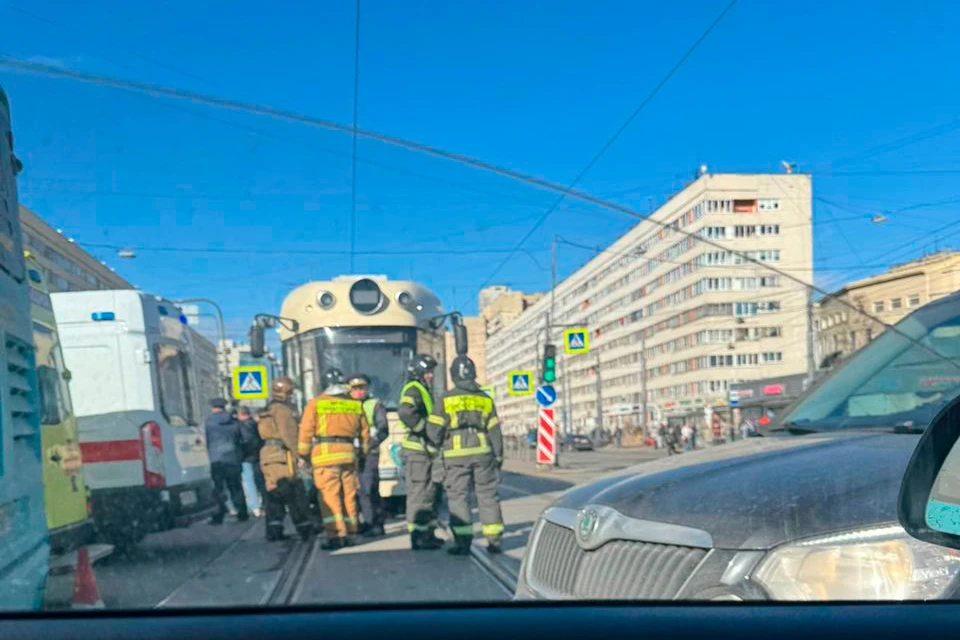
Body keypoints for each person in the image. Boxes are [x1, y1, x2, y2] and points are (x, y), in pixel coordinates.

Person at [427, 356, 504, 555]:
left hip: (456, 456)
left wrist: (437, 447)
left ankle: (463, 543)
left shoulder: (446, 398)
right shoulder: (485, 398)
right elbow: (495, 431)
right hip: (484, 454)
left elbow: (433, 430)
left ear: (453, 375)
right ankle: (494, 540)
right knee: (488, 496)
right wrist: (499, 456)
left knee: (458, 498)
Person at [298, 368, 370, 550]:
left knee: (330, 497)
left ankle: (336, 535)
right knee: (349, 495)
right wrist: (362, 454)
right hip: (348, 455)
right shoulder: (355, 405)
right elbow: (365, 434)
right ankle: (352, 533)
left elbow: (305, 433)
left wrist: (304, 455)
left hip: (325, 456)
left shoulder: (315, 404)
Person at [257, 377, 313, 541]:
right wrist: (300, 455)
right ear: (286, 391)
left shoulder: (268, 409)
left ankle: (274, 530)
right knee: (294, 492)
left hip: (268, 454)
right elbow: (289, 434)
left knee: (274, 493)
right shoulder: (283, 410)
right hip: (282, 454)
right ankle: (305, 529)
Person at [398, 354, 443, 550]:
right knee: (419, 494)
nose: (431, 376)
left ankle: (428, 533)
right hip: (417, 451)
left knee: (429, 493)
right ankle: (418, 536)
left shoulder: (422, 389)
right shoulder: (413, 389)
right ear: (418, 373)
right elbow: (406, 412)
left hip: (425, 452)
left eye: (431, 372)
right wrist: (425, 430)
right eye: (427, 372)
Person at [347, 373, 389, 537]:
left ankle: (375, 524)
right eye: (355, 389)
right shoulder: (346, 405)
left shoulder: (374, 404)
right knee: (357, 490)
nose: (359, 392)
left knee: (368, 488)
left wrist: (370, 444)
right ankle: (365, 521)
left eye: (361, 388)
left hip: (369, 453)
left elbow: (383, 429)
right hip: (352, 453)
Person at [204, 398, 249, 524]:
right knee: (236, 487)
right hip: (233, 458)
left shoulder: (208, 422)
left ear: (213, 407)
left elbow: (206, 441)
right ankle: (242, 513)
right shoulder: (234, 422)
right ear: (224, 406)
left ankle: (219, 514)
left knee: (218, 488)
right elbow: (244, 439)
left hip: (216, 459)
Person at [237, 405, 265, 518]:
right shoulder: (257, 425)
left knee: (248, 483)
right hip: (259, 457)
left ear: (240, 415)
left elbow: (245, 442)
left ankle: (254, 507)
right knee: (260, 481)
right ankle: (264, 503)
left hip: (246, 458)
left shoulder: (240, 427)